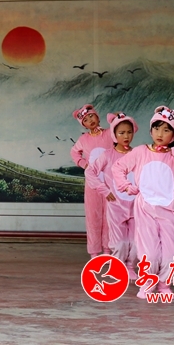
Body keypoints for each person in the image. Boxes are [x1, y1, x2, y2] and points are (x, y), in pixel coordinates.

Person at [112, 106, 174, 298]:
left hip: (169, 212)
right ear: (150, 130)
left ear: (173, 135)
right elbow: (118, 167)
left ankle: (164, 285)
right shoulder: (140, 152)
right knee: (149, 251)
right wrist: (126, 186)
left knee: (171, 252)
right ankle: (147, 284)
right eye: (157, 128)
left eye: (166, 130)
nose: (160, 134)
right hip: (145, 209)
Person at [86, 112, 138, 279]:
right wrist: (104, 190)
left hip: (136, 206)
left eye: (129, 132)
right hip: (116, 206)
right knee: (119, 242)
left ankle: (130, 266)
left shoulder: (138, 154)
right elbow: (90, 172)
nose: (126, 136)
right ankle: (117, 268)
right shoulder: (108, 155)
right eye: (121, 133)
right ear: (114, 135)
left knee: (136, 241)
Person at [70, 104, 113, 257]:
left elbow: (125, 132)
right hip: (92, 184)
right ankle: (94, 252)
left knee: (109, 216)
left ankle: (107, 249)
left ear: (97, 116)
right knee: (93, 216)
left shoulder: (110, 133)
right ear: (84, 125)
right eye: (86, 120)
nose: (90, 120)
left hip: (110, 182)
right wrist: (84, 164)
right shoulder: (84, 139)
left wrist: (115, 118)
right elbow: (74, 152)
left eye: (91, 116)